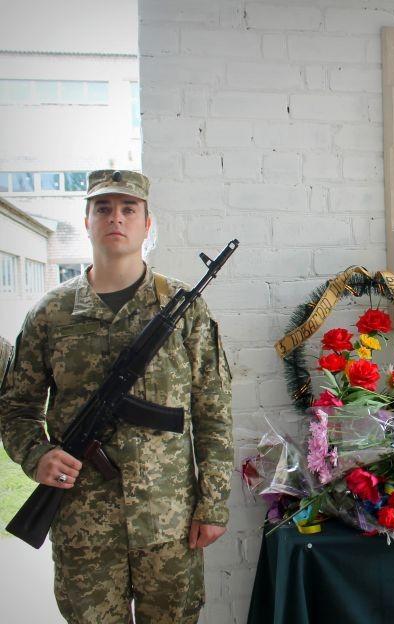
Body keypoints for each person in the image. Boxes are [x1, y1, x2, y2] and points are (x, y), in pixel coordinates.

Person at [0, 170, 233, 623]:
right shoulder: (50, 315)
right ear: (86, 221)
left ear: (148, 225)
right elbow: (15, 408)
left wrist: (213, 503)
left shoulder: (184, 309)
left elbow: (214, 414)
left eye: (129, 209)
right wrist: (38, 455)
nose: (116, 218)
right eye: (103, 208)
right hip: (82, 523)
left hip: (168, 523)